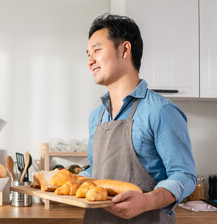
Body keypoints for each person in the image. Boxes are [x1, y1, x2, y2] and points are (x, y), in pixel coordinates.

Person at [80, 14, 196, 223]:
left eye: (97, 50)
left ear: (124, 50)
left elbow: (184, 175)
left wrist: (147, 201)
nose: (90, 61)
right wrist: (69, 180)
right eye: (88, 54)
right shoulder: (96, 117)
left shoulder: (161, 111)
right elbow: (95, 172)